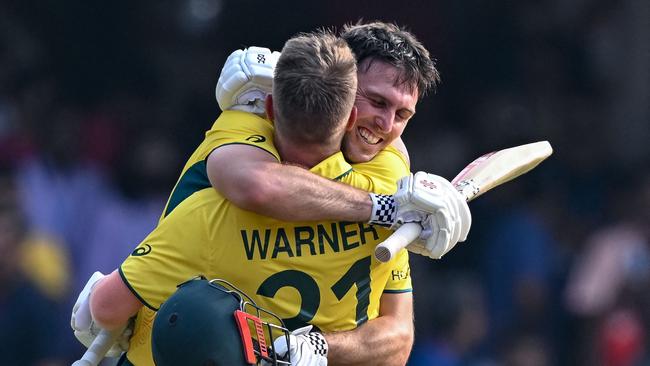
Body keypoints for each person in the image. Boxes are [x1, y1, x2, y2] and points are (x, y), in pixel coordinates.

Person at [73, 24, 471, 366]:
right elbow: (257, 185)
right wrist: (382, 209)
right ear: (345, 95)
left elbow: (398, 340)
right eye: (377, 102)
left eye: (402, 115)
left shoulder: (393, 180)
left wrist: (319, 348)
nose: (385, 125)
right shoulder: (393, 197)